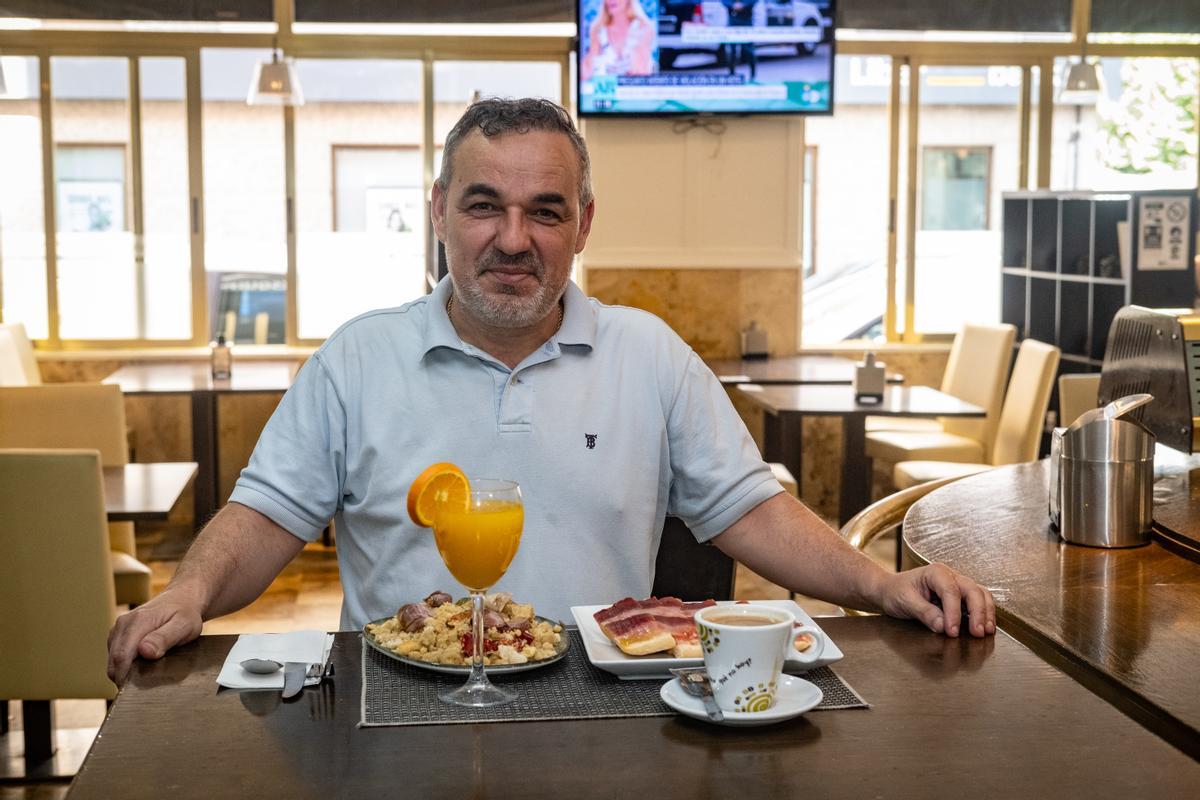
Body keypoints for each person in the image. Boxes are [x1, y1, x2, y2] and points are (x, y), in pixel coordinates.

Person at [107, 98, 995, 683]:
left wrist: (878, 587)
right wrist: (188, 595)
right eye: (484, 204)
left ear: (584, 224)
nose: (512, 238)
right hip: (397, 703)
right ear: (439, 211)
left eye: (546, 210)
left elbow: (750, 511)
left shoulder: (649, 354)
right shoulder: (356, 358)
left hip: (604, 703)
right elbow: (267, 514)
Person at [580, 0, 655, 82]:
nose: (610, 1)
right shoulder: (597, 30)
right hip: (606, 91)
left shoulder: (644, 27)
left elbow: (641, 71)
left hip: (636, 91)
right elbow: (588, 70)